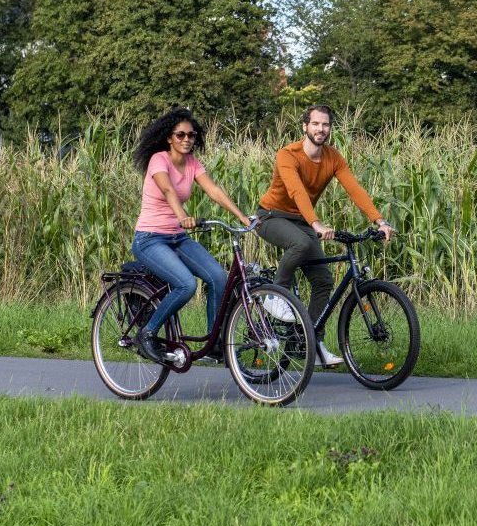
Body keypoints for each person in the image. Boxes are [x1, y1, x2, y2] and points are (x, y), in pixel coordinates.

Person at [257, 104, 395, 366]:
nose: (321, 129)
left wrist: (379, 220)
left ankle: (311, 342)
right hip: (272, 216)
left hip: (302, 221)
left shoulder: (333, 157)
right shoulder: (288, 155)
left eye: (326, 125)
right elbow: (297, 191)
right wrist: (317, 223)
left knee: (323, 281)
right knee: (298, 242)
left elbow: (355, 189)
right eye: (316, 124)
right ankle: (274, 295)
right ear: (305, 126)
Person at [129, 107, 251, 363]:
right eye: (180, 135)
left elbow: (213, 190)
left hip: (177, 238)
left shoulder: (193, 163)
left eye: (191, 135)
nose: (186, 140)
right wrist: (182, 215)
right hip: (150, 238)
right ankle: (148, 332)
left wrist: (241, 216)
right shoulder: (159, 160)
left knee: (218, 277)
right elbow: (167, 189)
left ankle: (214, 343)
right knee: (186, 285)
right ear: (169, 137)